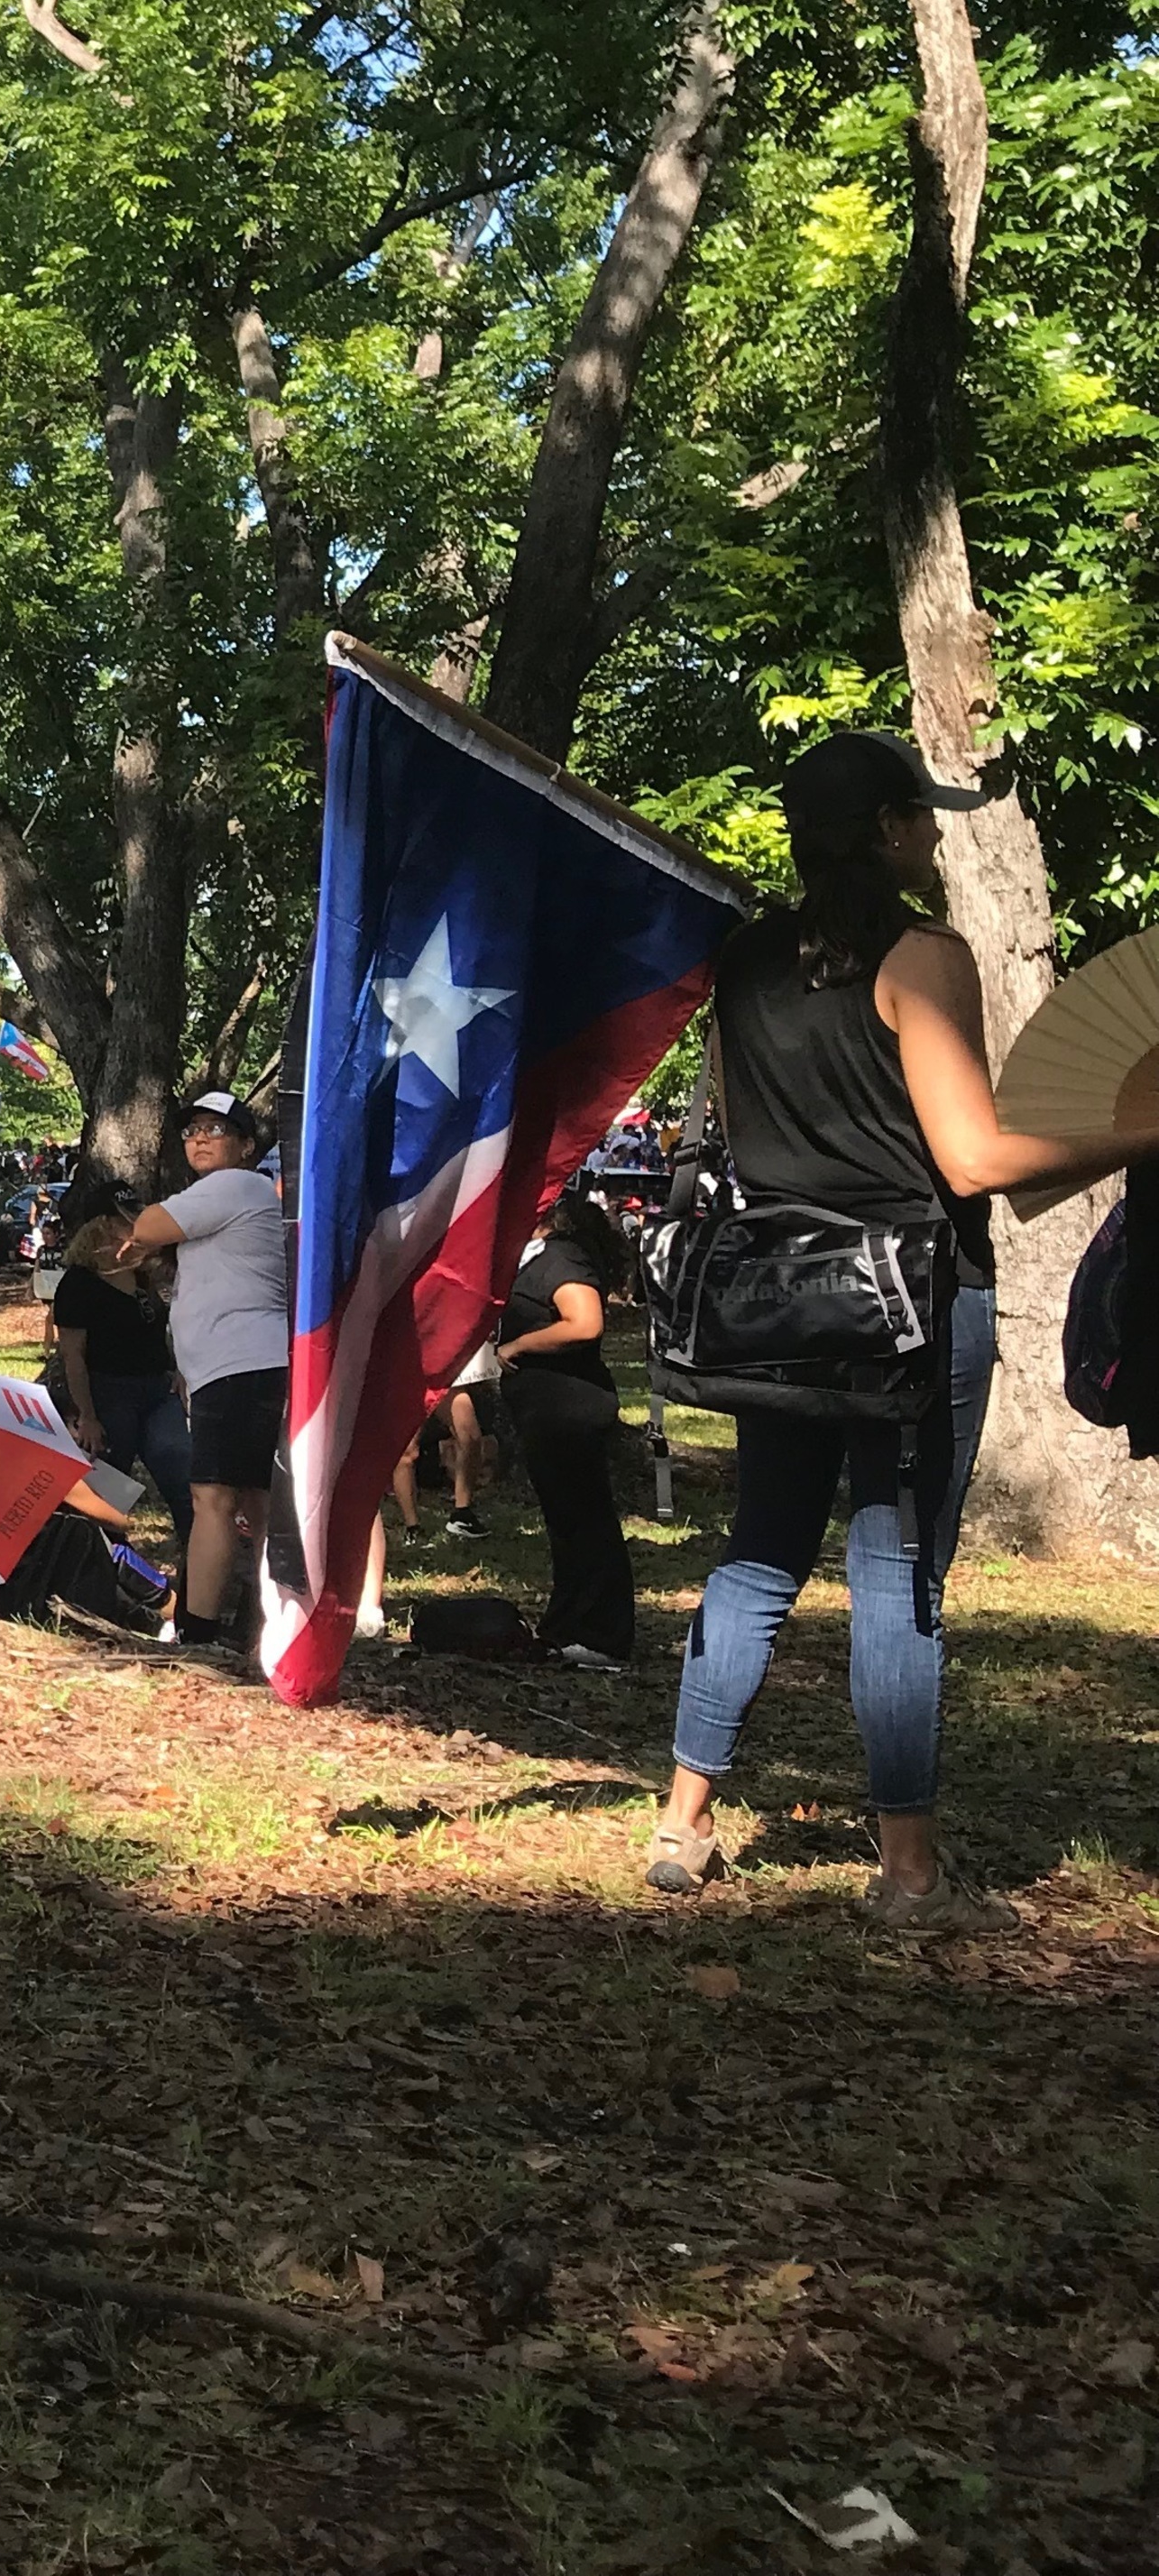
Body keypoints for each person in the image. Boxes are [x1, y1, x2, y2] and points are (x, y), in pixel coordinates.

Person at [653, 732, 1159, 1927]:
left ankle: (682, 1822)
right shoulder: (922, 955)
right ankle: (909, 1871)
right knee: (898, 1569)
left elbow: (746, 1131)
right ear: (884, 831)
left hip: (779, 1300)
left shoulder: (742, 963)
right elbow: (973, 1156)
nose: (934, 836)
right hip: (913, 1302)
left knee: (759, 1549)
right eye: (920, 820)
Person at [126, 1090, 290, 1651]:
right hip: (240, 1367)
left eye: (215, 1130)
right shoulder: (237, 1194)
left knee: (213, 1500)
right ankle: (272, 1625)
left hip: (240, 1366)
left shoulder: (234, 1186)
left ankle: (199, 1632)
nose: (199, 1137)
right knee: (256, 1504)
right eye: (192, 1128)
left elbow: (147, 1226)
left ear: (246, 1147)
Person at [497, 1181, 636, 1669]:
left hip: (568, 1410)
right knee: (567, 1524)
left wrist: (518, 1346)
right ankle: (569, 1623)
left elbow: (584, 1323)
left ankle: (603, 1634)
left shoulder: (562, 1259)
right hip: (544, 1411)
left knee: (586, 1523)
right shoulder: (536, 1259)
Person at [48, 1189, 190, 1526]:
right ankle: (106, 1566)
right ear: (105, 1226)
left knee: (185, 1482)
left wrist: (176, 1368)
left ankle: (198, 1570)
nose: (140, 1227)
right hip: (108, 1394)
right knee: (108, 1496)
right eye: (130, 1220)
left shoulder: (143, 1275)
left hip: (158, 1392)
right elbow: (73, 1357)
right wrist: (88, 1415)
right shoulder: (78, 1284)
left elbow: (160, 1330)